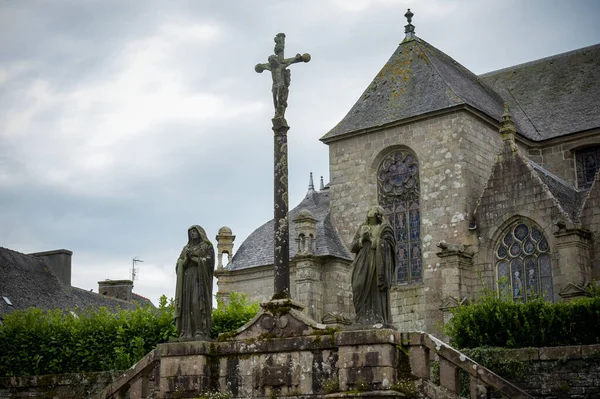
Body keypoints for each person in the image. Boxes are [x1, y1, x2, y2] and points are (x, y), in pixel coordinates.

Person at [350, 206, 397, 325]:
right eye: (369, 209)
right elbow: (352, 247)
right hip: (361, 263)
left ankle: (376, 318)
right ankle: (360, 317)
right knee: (358, 286)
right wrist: (362, 239)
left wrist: (372, 240)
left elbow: (390, 246)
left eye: (372, 210)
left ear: (378, 214)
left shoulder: (385, 228)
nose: (369, 211)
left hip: (377, 263)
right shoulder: (362, 228)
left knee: (375, 290)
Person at [174, 225, 215, 339]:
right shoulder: (185, 249)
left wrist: (194, 258)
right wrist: (186, 259)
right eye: (190, 232)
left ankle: (199, 330)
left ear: (200, 232)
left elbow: (209, 262)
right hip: (187, 278)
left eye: (194, 231)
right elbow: (179, 264)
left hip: (199, 279)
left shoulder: (207, 246)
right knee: (186, 304)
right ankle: (186, 331)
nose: (192, 233)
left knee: (196, 302)